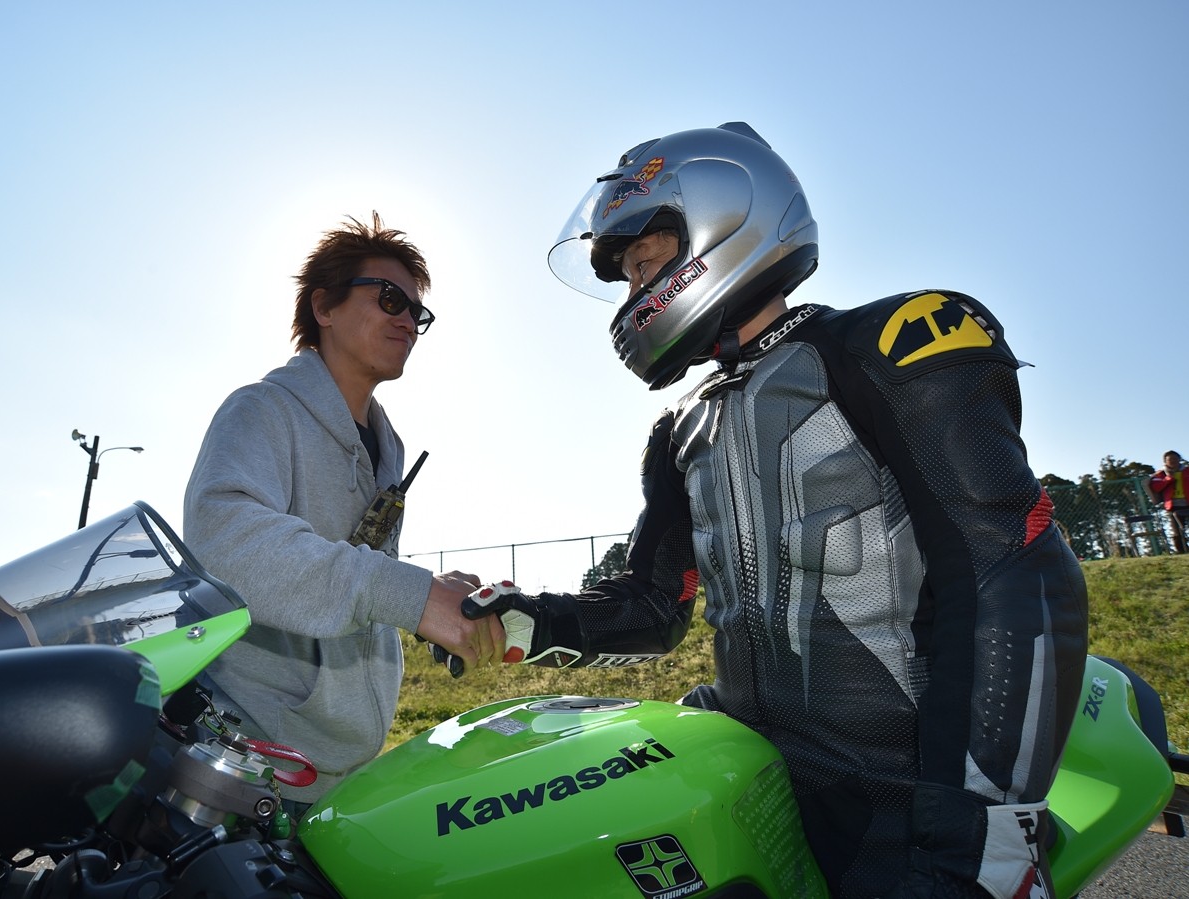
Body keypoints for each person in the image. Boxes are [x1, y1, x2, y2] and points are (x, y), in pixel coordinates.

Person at [454, 124, 1089, 897]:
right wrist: (532, 619)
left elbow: (1012, 572)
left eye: (642, 265)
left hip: (906, 794)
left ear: (723, 218)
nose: (633, 294)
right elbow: (654, 603)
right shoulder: (679, 429)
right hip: (753, 774)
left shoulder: (893, 344)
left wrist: (985, 825)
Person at [184, 212, 504, 812]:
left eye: (417, 313)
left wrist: (430, 596)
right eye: (390, 300)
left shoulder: (389, 446)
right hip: (246, 766)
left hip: (344, 772)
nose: (407, 321)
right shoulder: (262, 410)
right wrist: (408, 594)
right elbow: (223, 541)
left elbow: (350, 572)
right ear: (324, 307)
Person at [1149, 450, 1189, 552]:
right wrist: (1169, 478)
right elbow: (1156, 487)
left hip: (1187, 503)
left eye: (1175, 459)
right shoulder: (1160, 474)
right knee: (1177, 531)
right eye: (1170, 459)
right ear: (1165, 462)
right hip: (1173, 506)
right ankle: (1181, 552)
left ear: (1179, 459)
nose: (1173, 461)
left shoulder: (1187, 471)